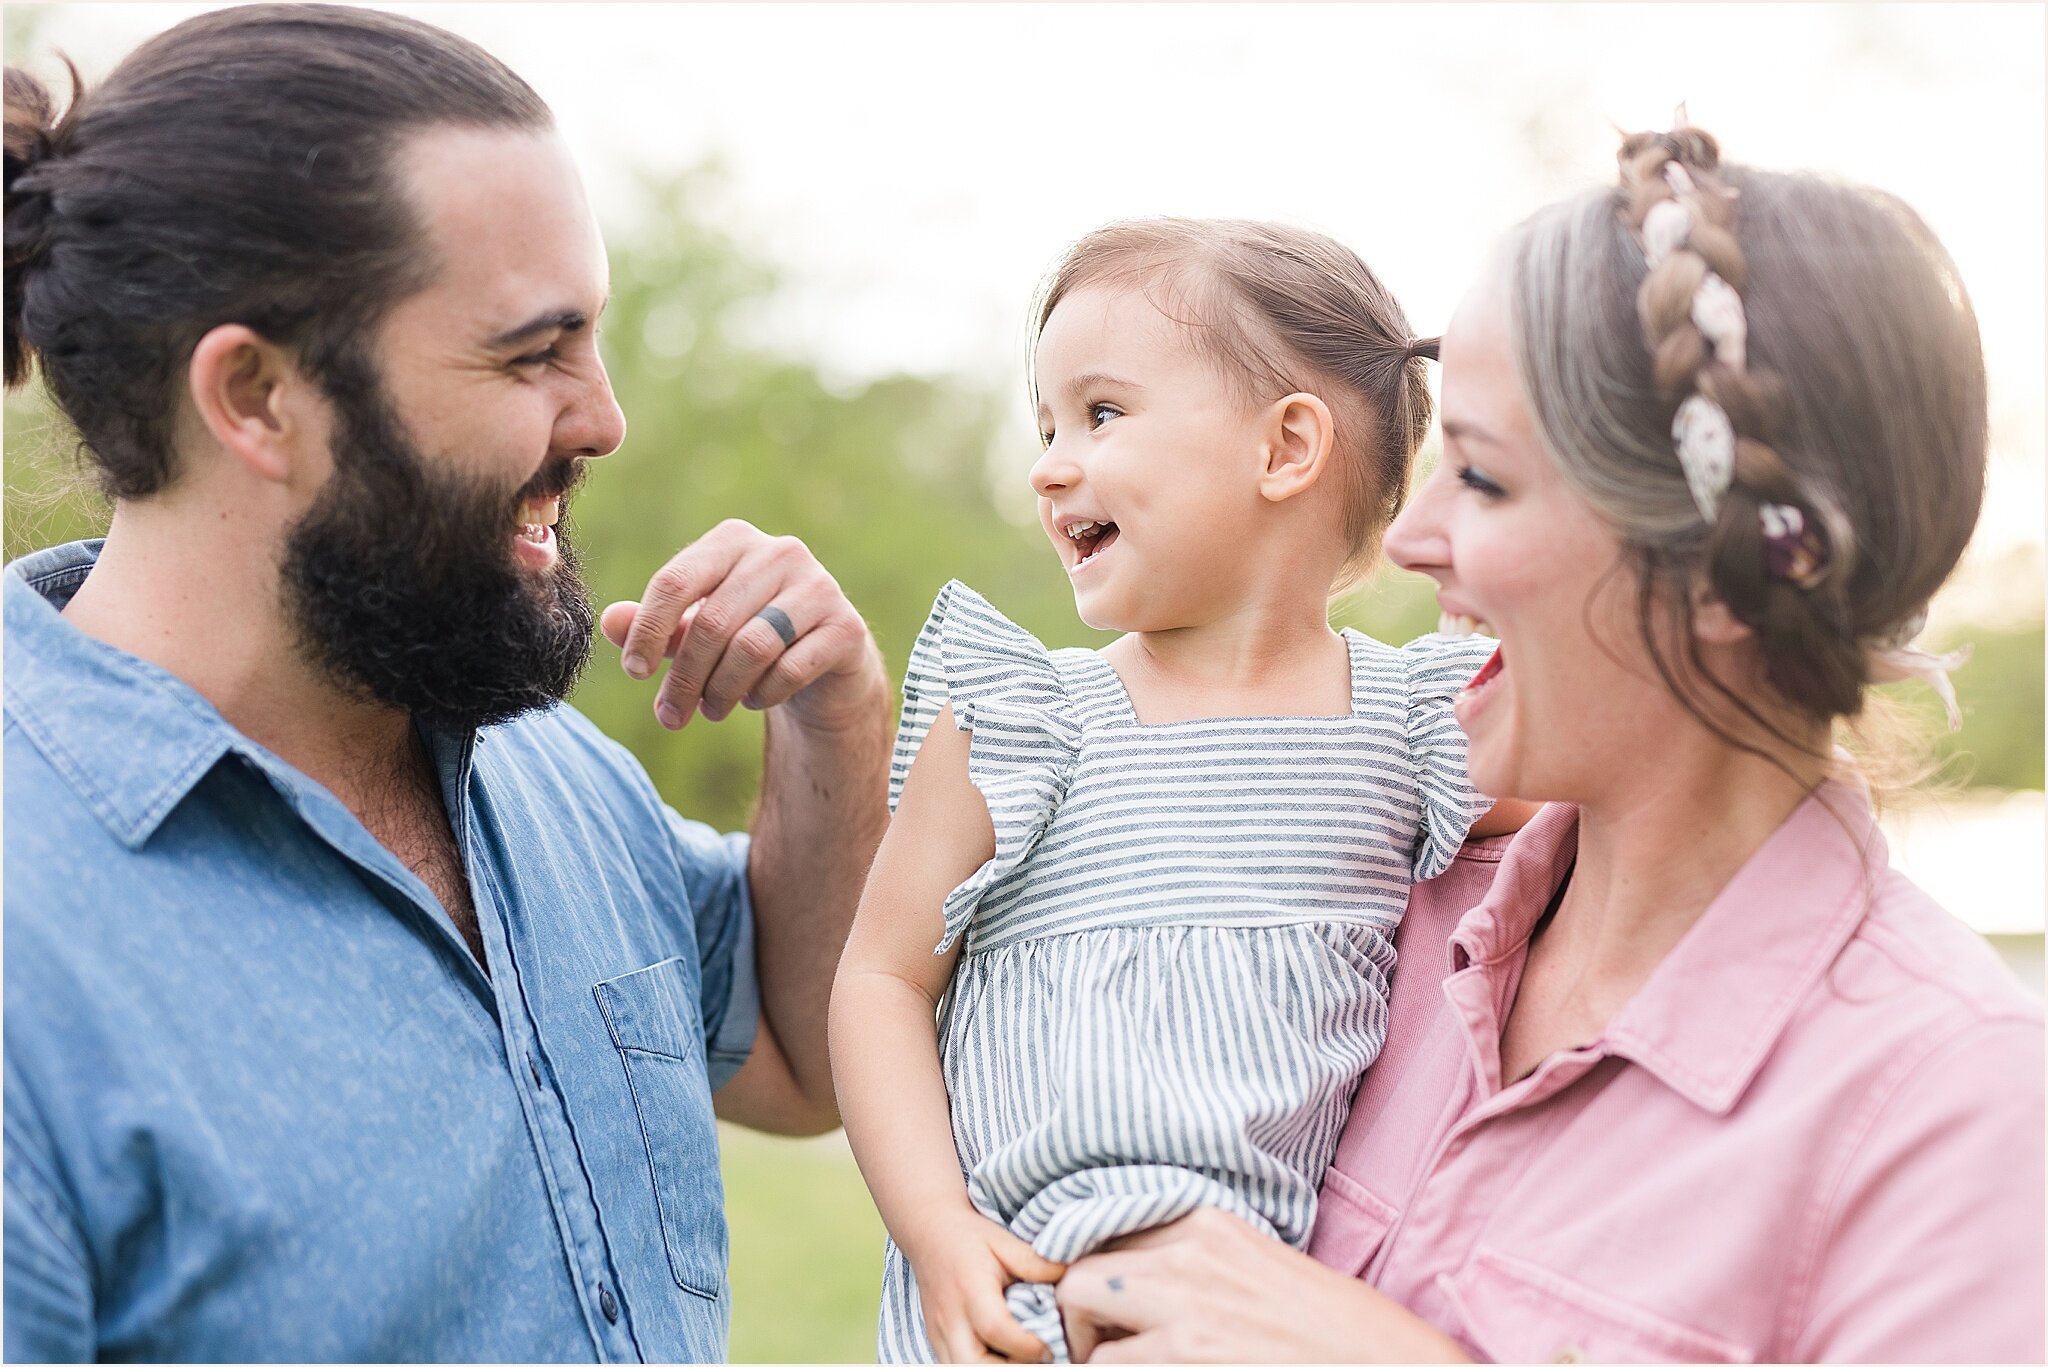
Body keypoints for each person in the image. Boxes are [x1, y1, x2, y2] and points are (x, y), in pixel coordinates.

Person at [1049, 123, 2045, 1362]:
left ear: (1722, 574)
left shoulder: (1941, 1101)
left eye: (1481, 475)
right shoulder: (1357, 903)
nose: (1406, 538)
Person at [2, 6, 891, 1361]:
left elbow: (796, 1046)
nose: (603, 418)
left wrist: (837, 719)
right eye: (534, 352)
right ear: (255, 396)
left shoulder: (550, 771)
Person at [831, 219, 1537, 1363]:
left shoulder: (1411, 723)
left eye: (1100, 413)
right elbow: (876, 978)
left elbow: (1618, 779)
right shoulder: (1026, 722)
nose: (1049, 463)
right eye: (1047, 423)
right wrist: (935, 1230)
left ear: (1284, 447)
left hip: (1252, 1315)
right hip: (1022, 1294)